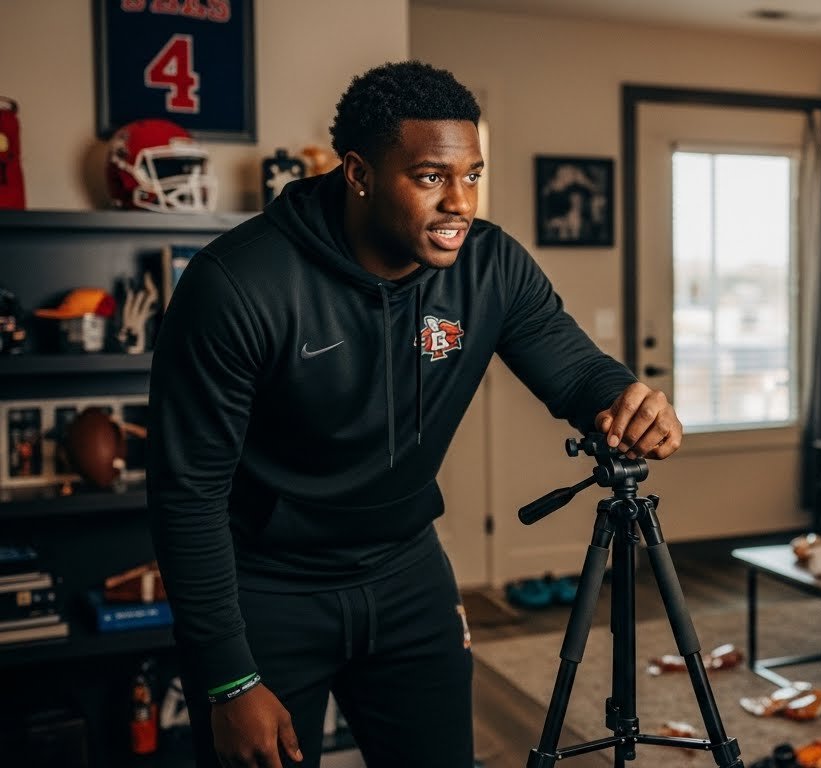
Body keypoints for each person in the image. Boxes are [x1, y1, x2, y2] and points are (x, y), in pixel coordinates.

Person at [147, 60, 682, 768]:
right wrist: (228, 678)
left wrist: (625, 401)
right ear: (360, 173)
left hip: (405, 573)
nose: (460, 201)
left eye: (471, 175)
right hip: (267, 588)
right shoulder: (239, 285)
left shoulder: (490, 266)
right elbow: (187, 495)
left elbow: (576, 369)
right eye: (431, 176)